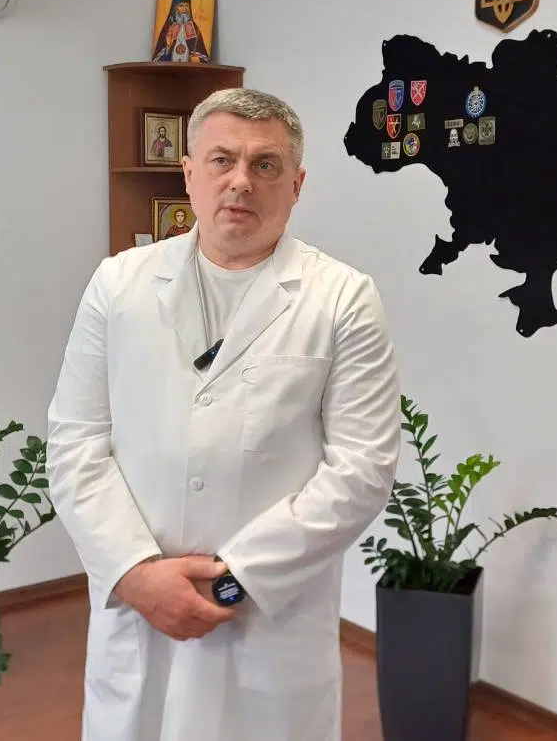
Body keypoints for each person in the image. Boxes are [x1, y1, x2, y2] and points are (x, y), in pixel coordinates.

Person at [46, 87, 402, 741]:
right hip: (139, 608)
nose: (241, 180)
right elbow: (76, 444)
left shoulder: (342, 298)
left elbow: (362, 469)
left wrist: (234, 581)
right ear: (189, 174)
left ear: (296, 185)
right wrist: (133, 572)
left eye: (265, 165)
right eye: (221, 160)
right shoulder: (118, 285)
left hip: (267, 616)